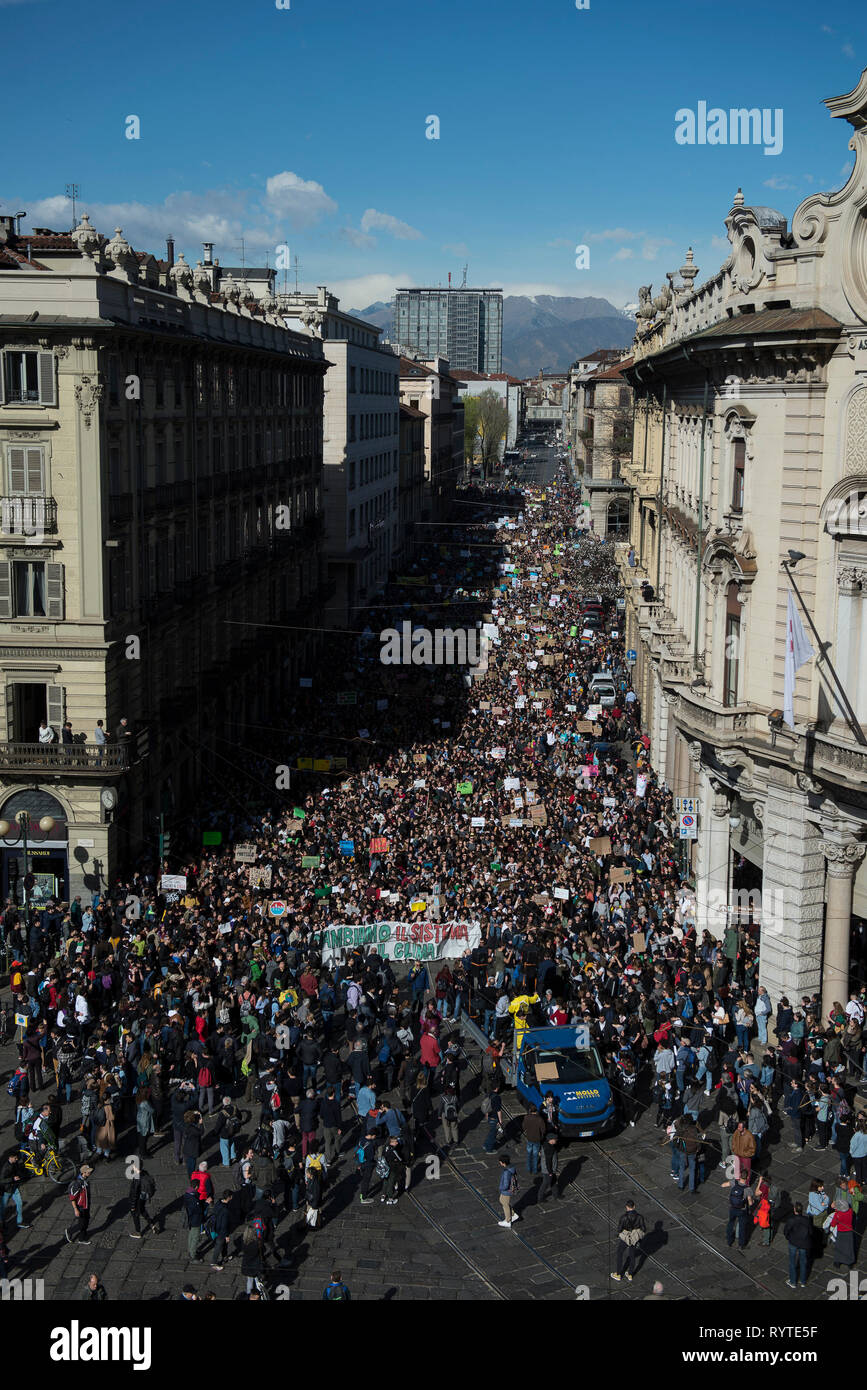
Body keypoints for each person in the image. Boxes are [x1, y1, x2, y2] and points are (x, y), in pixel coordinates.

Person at [610, 1200, 646, 1282]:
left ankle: (618, 1274)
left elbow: (619, 1229)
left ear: (626, 1207)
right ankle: (630, 1274)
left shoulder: (623, 1217)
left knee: (620, 1253)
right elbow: (644, 1229)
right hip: (634, 1239)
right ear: (634, 1206)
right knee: (632, 1255)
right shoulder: (640, 1217)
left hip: (625, 1238)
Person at [783, 1201, 812, 1288]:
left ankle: (793, 1282)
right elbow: (811, 1231)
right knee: (803, 1262)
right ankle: (803, 1281)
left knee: (792, 1262)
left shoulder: (791, 1220)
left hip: (793, 1243)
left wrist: (789, 1238)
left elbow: (786, 1231)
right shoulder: (807, 1220)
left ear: (794, 1209)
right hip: (804, 1243)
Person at [65, 1164, 93, 1245]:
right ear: (84, 1172)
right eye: (88, 1172)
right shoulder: (77, 1183)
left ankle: (82, 1238)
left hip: (86, 1205)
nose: (90, 1173)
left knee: (86, 1222)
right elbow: (72, 1198)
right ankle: (70, 1231)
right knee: (82, 1223)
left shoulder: (85, 1180)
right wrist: (75, 1209)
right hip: (81, 1207)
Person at [725, 1174, 753, 1250]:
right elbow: (750, 1203)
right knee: (742, 1227)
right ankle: (741, 1244)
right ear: (747, 1177)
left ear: (740, 1177)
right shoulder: (748, 1189)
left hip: (732, 1208)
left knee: (730, 1224)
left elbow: (723, 1185)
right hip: (742, 1210)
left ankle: (729, 1241)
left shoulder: (734, 1182)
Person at [497, 1154, 519, 1227]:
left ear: (503, 1162)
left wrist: (501, 1188)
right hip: (508, 1189)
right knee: (502, 1200)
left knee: (505, 1204)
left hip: (507, 1190)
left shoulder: (507, 1172)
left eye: (500, 1162)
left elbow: (506, 1184)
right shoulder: (510, 1167)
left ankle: (508, 1221)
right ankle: (513, 1214)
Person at [538, 1133, 560, 1203]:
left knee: (553, 1182)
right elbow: (548, 1161)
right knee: (545, 1184)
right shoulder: (549, 1148)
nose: (556, 1140)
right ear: (551, 1140)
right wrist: (550, 1172)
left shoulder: (546, 1145)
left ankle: (556, 1195)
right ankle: (540, 1198)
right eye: (555, 1139)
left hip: (550, 1169)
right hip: (548, 1170)